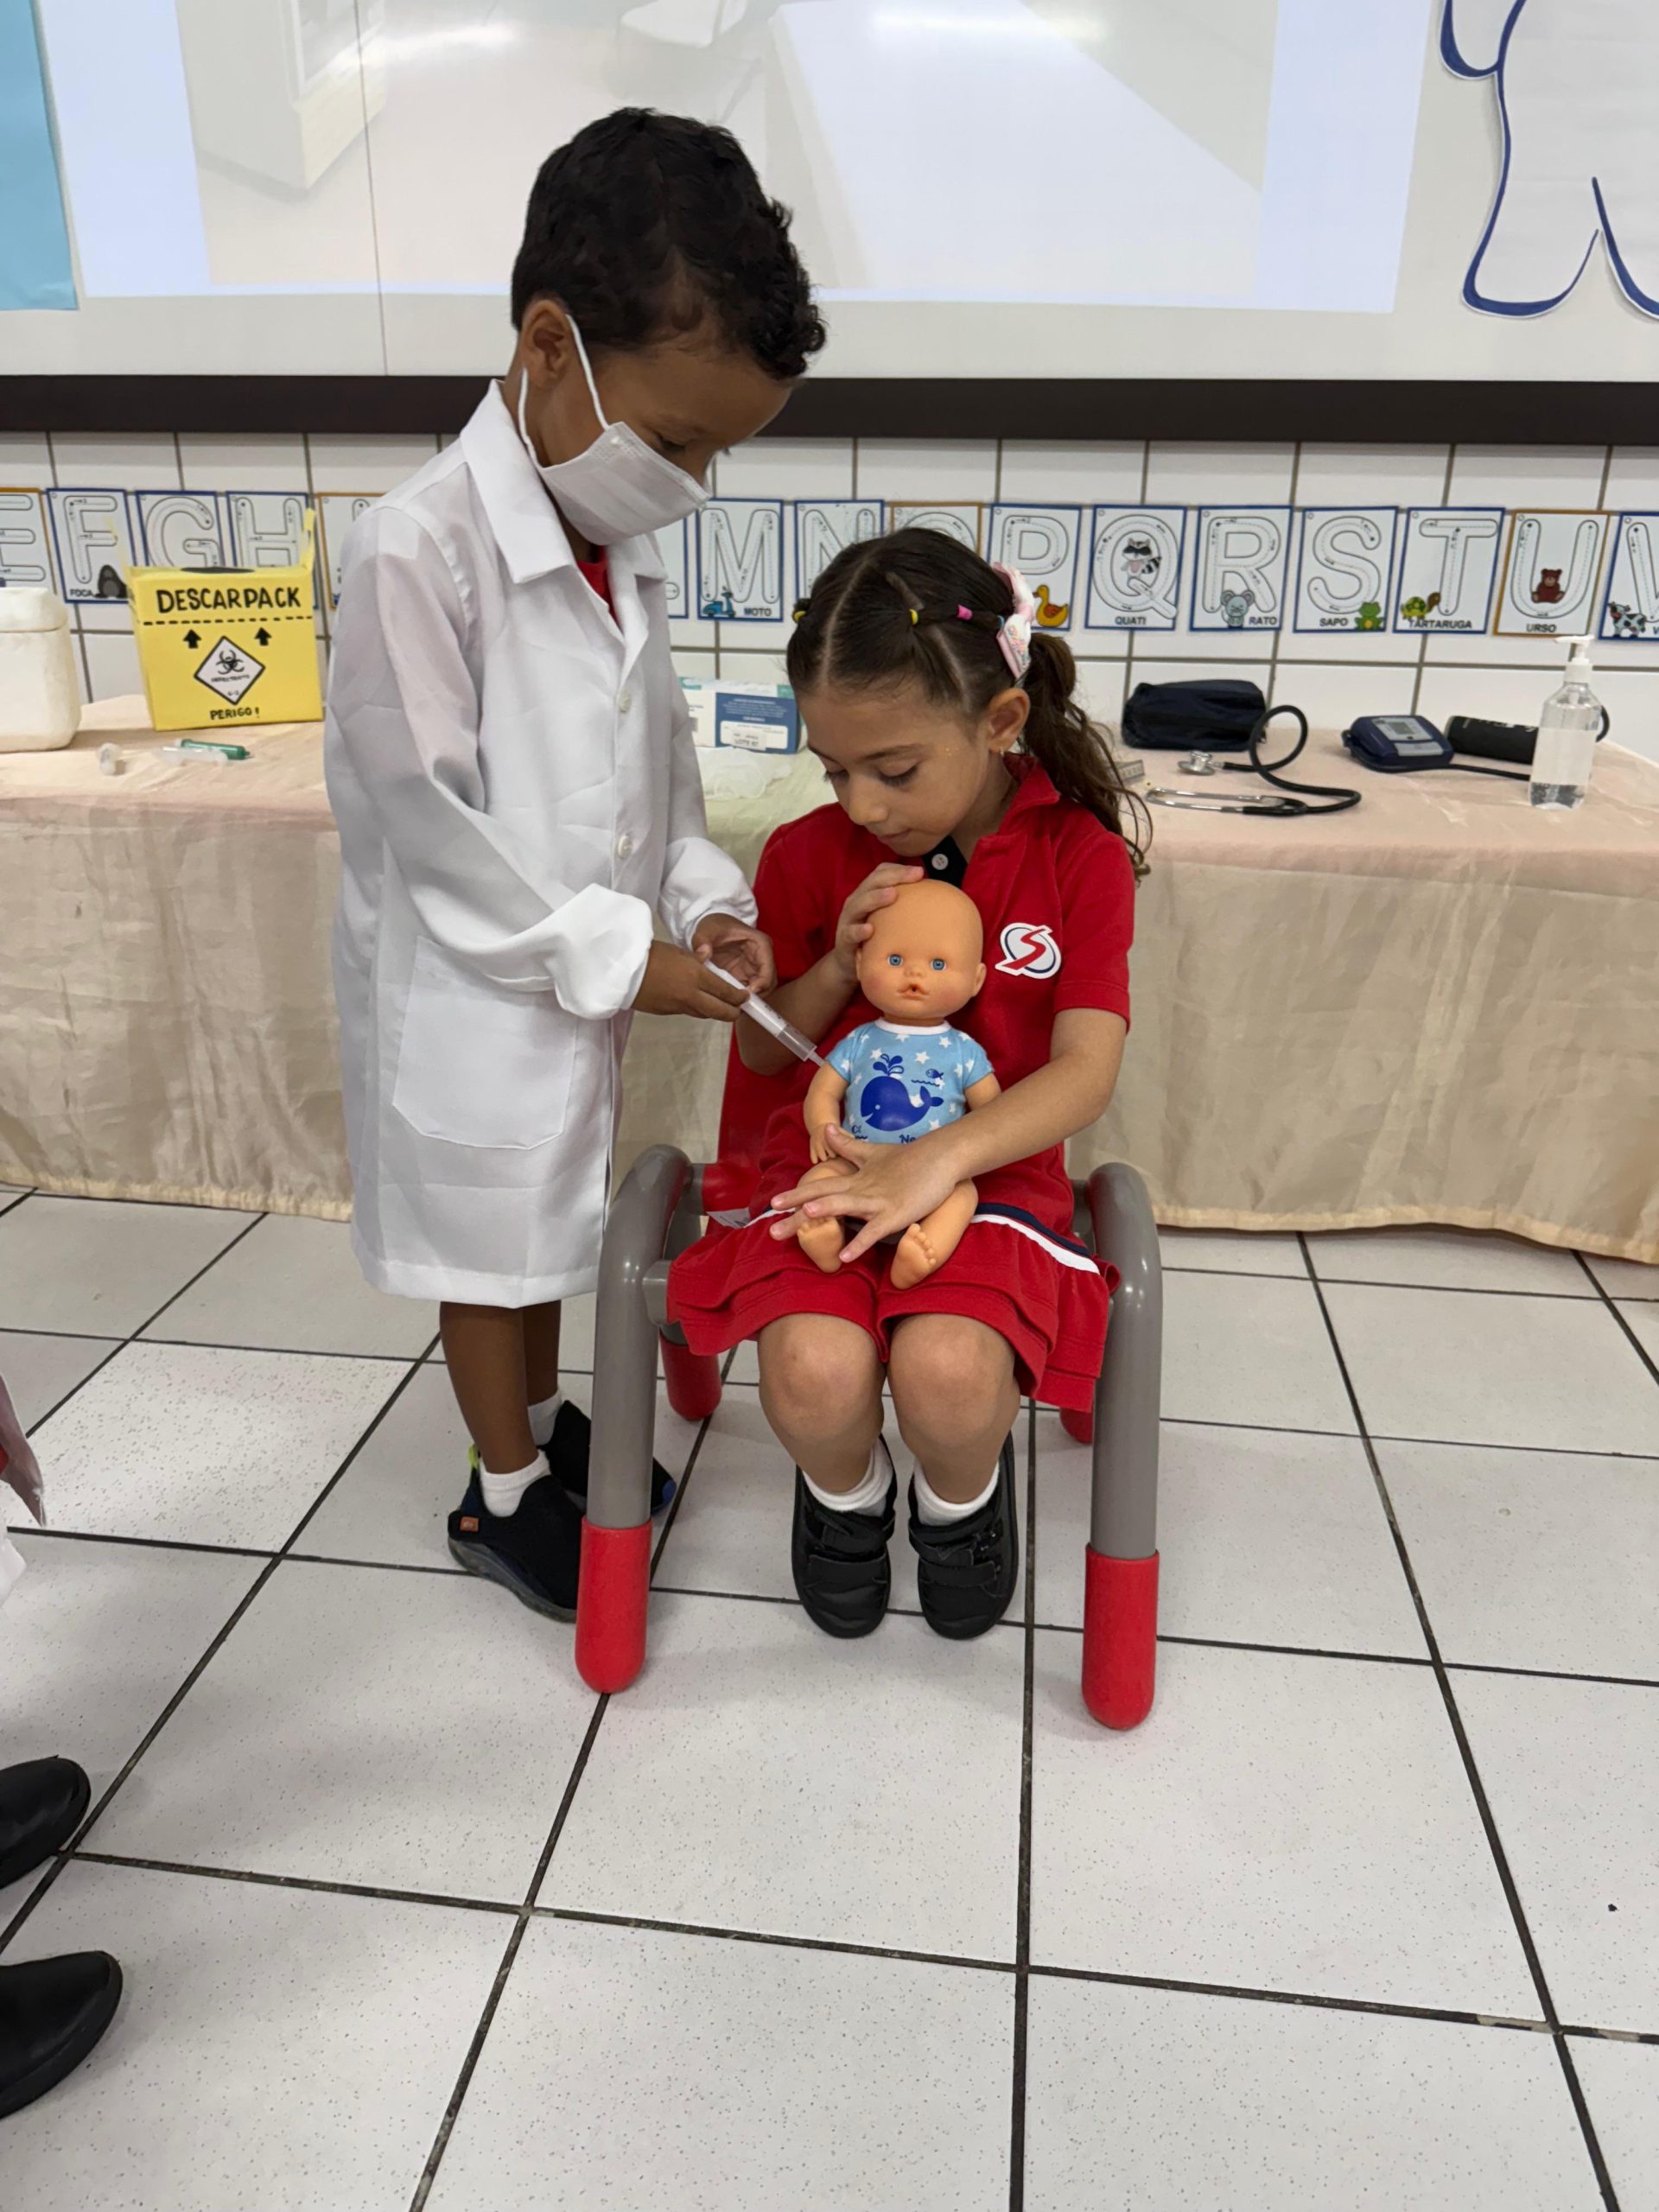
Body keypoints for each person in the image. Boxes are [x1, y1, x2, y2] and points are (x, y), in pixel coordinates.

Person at [326, 110, 823, 1619]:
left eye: (717, 453)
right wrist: (623, 957)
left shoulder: (616, 549)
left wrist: (708, 906)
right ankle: (501, 1491)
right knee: (489, 1250)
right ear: (551, 346)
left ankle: (540, 1429)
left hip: (569, 984)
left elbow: (658, 773)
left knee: (550, 1221)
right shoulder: (415, 551)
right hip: (470, 992)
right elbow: (432, 829)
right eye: (675, 442)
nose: (693, 480)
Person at [670, 531, 1144, 1641]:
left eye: (894, 770)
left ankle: (957, 1500)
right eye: (836, 769)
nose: (864, 806)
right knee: (813, 1372)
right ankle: (848, 1496)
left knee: (949, 1373)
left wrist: (936, 1162)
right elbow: (764, 1058)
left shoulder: (1077, 856)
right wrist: (833, 967)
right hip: (825, 1167)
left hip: (990, 1175)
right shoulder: (805, 855)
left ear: (1001, 720)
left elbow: (1085, 1068)